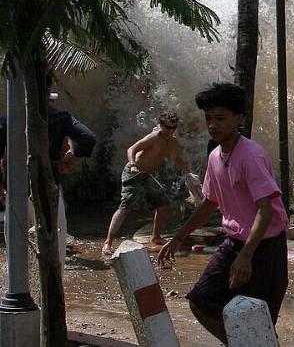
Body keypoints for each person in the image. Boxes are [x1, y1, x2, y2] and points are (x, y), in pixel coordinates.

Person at [157, 83, 289, 344]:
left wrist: (246, 256)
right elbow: (209, 204)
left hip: (264, 248)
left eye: (220, 118)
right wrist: (178, 237)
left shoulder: (251, 156)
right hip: (233, 244)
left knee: (257, 318)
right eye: (208, 119)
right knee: (201, 301)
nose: (213, 125)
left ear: (239, 119)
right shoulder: (216, 156)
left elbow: (265, 210)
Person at [102, 110, 191, 255]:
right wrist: (132, 164)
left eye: (173, 127)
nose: (170, 131)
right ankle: (108, 242)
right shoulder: (154, 137)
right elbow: (132, 149)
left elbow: (177, 158)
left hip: (147, 175)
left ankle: (155, 236)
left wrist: (189, 173)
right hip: (134, 174)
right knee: (125, 207)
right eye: (167, 127)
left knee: (163, 204)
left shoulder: (172, 141)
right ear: (161, 125)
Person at [47, 91, 97, 267]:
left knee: (20, 237)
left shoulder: (12, 118)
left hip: (17, 184)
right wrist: (70, 162)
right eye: (51, 100)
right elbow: (88, 138)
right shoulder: (60, 119)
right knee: (57, 229)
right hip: (49, 178)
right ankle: (56, 273)